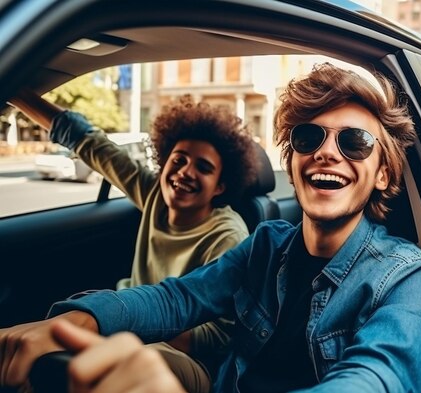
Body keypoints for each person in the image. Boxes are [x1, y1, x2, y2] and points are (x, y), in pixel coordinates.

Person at [0, 62, 421, 393]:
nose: (327, 153)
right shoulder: (266, 246)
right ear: (292, 164)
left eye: (354, 141)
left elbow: (377, 380)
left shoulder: (413, 279)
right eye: (308, 138)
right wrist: (79, 320)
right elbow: (177, 297)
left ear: (384, 174)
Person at [7, 91, 259, 391]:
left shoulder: (228, 235)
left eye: (203, 168)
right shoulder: (155, 195)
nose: (185, 172)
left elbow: (219, 335)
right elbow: (90, 143)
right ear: (164, 164)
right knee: (40, 350)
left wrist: (130, 328)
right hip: (129, 325)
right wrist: (17, 93)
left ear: (220, 186)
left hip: (193, 363)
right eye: (178, 160)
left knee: (128, 362)